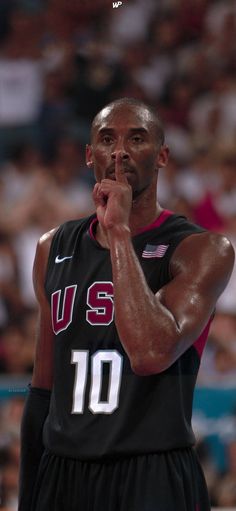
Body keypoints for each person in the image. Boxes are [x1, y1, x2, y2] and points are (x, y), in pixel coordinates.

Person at [18, 97, 235, 511]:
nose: (119, 151)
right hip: (64, 473)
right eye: (106, 140)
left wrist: (118, 233)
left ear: (162, 155)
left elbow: (151, 352)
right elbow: (43, 387)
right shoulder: (53, 247)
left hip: (151, 470)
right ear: (88, 156)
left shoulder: (200, 249)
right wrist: (29, 496)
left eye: (136, 138)